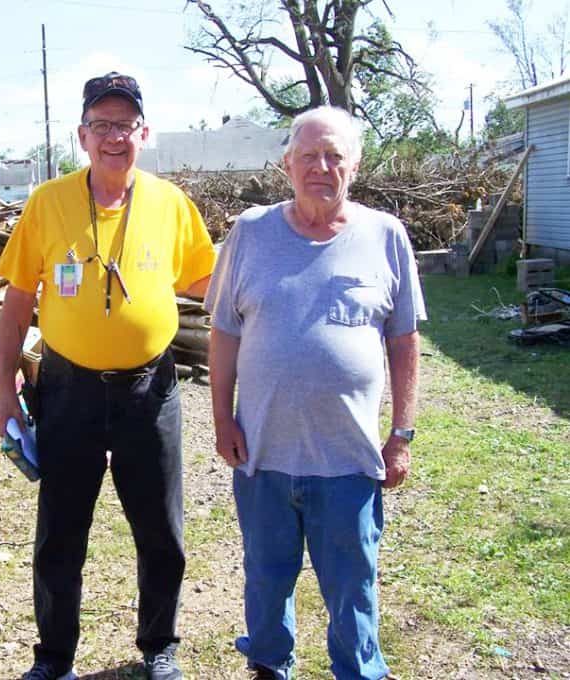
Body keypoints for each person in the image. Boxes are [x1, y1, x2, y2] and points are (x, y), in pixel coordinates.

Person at [0, 72, 216, 680]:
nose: (114, 136)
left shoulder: (170, 203)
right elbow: (16, 304)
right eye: (102, 124)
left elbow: (205, 281)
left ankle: (159, 647)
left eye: (125, 124)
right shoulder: (48, 202)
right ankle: (54, 658)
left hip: (151, 389)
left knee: (162, 532)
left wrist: (267, 299)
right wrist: (2, 390)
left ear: (144, 132)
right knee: (60, 534)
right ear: (82, 134)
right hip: (69, 390)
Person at [204, 105, 426, 680]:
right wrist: (221, 419)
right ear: (287, 165)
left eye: (335, 156)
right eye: (309, 156)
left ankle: (357, 671)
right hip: (262, 453)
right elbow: (224, 332)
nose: (321, 167)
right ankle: (269, 664)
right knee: (266, 575)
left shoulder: (386, 235)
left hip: (348, 458)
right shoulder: (251, 233)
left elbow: (404, 341)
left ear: (354, 165)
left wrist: (401, 434)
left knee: (353, 585)